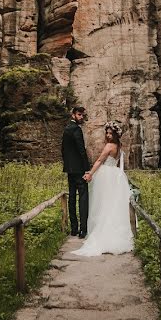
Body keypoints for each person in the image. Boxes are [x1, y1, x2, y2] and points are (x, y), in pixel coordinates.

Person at [71, 121, 134, 256]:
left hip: (106, 176)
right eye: (107, 132)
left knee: (102, 204)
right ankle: (112, 233)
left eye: (111, 133)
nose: (108, 135)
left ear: (116, 135)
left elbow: (99, 161)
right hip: (115, 175)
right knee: (111, 205)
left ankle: (103, 234)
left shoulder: (110, 146)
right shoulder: (119, 146)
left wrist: (90, 174)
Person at [61, 106, 91, 237]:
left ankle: (74, 229)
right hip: (79, 169)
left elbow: (63, 150)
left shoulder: (66, 129)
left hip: (69, 170)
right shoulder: (76, 130)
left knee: (72, 197)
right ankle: (83, 230)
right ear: (73, 115)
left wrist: (68, 165)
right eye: (79, 115)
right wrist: (87, 168)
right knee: (83, 198)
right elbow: (81, 150)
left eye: (82, 115)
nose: (81, 117)